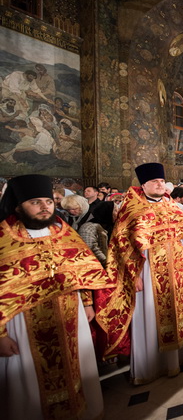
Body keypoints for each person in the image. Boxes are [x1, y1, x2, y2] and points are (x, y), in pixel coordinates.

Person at [0, 174, 115, 420]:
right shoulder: (3, 237)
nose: (45, 207)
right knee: (30, 380)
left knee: (75, 369)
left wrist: (86, 302)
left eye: (48, 201)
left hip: (69, 314)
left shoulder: (62, 232)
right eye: (36, 202)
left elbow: (81, 270)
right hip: (21, 323)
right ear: (19, 206)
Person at [96, 163, 183, 385]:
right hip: (147, 273)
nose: (160, 185)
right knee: (149, 317)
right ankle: (149, 368)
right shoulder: (132, 210)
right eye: (155, 182)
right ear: (143, 185)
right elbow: (122, 247)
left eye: (162, 181)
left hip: (175, 272)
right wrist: (133, 276)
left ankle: (177, 360)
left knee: (175, 314)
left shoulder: (172, 207)